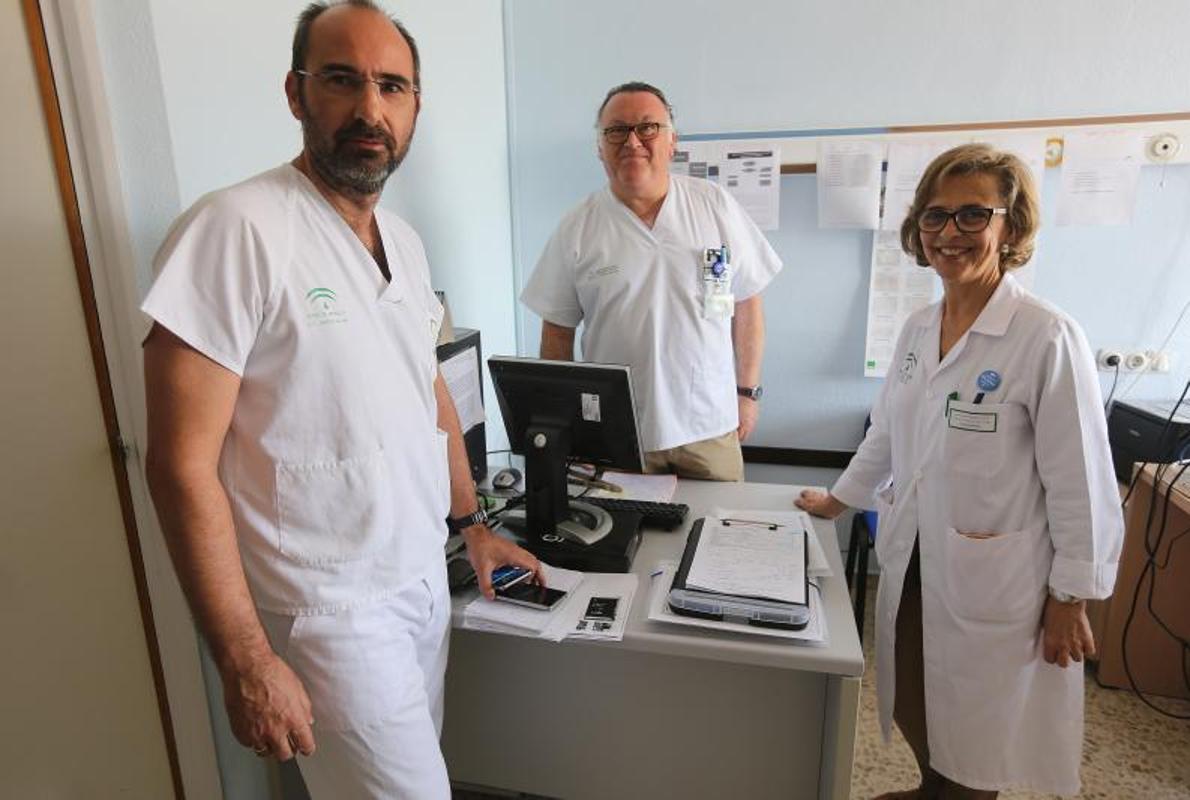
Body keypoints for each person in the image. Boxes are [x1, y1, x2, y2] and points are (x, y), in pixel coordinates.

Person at [141, 3, 540, 797]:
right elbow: (179, 466)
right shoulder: (236, 229)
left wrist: (472, 526)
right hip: (327, 612)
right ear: (295, 93)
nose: (369, 108)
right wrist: (246, 659)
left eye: (392, 86)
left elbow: (426, 392)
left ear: (415, 107)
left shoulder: (406, 241)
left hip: (420, 583)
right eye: (341, 80)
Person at [797, 143, 1122, 799]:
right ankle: (930, 789)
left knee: (981, 724)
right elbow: (887, 432)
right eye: (935, 216)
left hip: (1000, 575)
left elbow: (1081, 480)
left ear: (1011, 227)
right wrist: (837, 501)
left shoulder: (1045, 336)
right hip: (916, 552)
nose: (950, 233)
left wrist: (1070, 595)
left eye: (974, 215)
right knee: (918, 689)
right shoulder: (920, 328)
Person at [520, 81, 782, 481]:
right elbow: (556, 332)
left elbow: (747, 304)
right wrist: (567, 425)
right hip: (617, 432)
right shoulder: (578, 227)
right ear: (599, 148)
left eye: (648, 127)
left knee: (717, 534)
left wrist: (747, 394)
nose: (633, 141)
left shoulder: (713, 206)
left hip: (709, 425)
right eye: (616, 130)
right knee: (627, 538)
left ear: (672, 140)